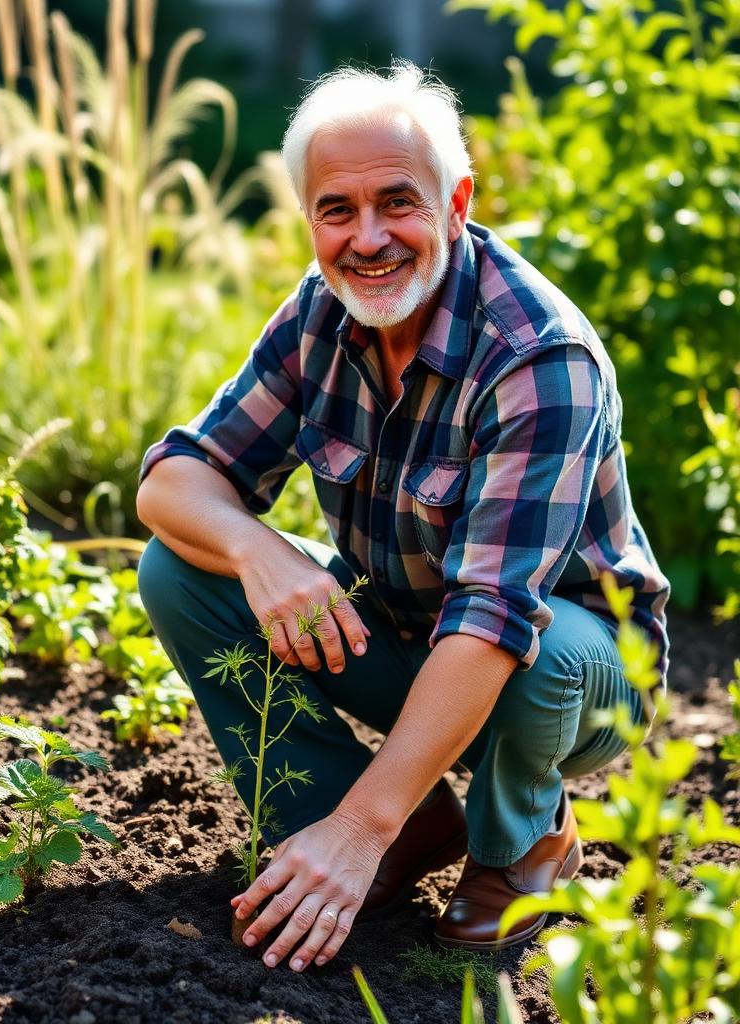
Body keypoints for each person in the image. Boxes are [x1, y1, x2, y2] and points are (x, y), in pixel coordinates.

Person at [135, 62, 670, 972]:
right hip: (405, 629)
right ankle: (402, 828)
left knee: (545, 652)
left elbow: (496, 619)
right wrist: (257, 550)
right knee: (179, 568)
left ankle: (520, 848)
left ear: (457, 198)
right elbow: (173, 480)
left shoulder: (539, 358)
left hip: (576, 674)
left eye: (399, 202)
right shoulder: (319, 316)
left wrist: (359, 827)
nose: (368, 238)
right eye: (337, 210)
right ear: (309, 218)